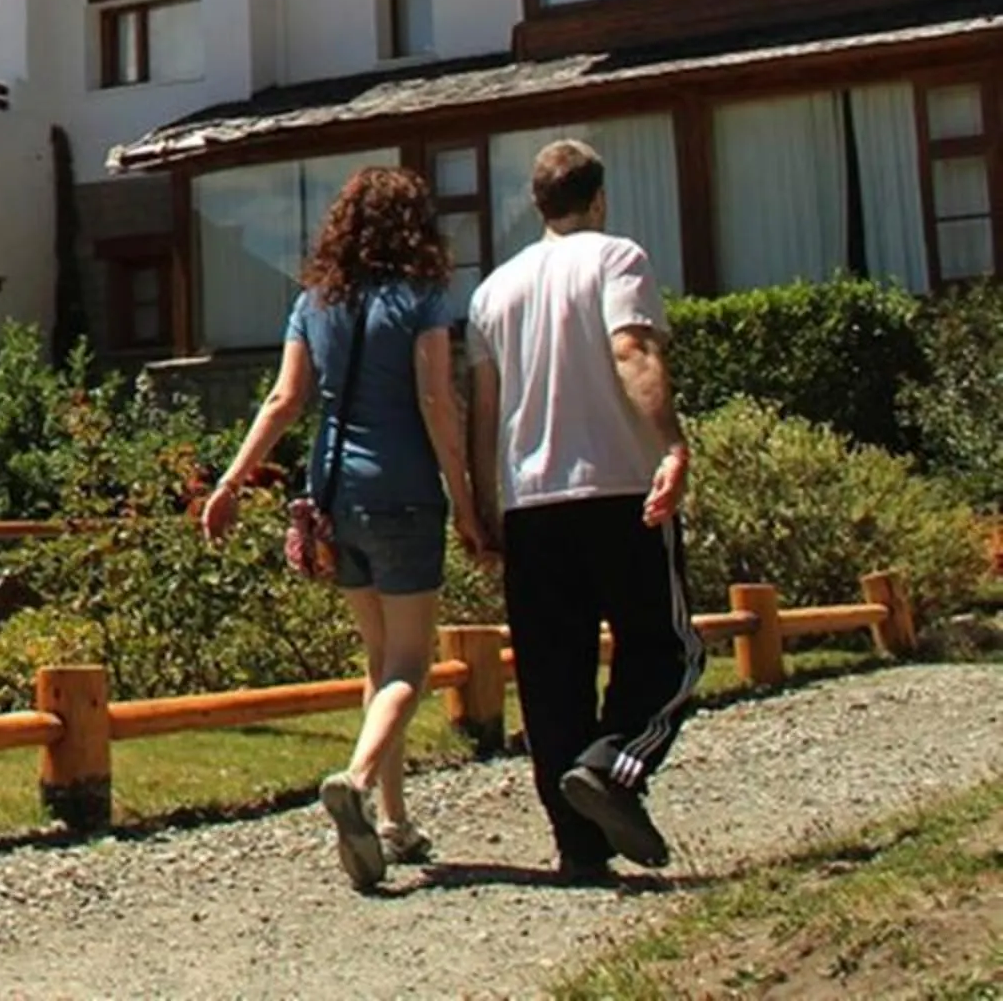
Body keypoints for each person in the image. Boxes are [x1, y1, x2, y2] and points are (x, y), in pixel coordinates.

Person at [204, 165, 487, 891]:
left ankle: (393, 821)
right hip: (401, 491)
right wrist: (466, 501)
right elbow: (434, 401)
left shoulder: (314, 301)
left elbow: (283, 399)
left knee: (375, 659)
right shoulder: (423, 297)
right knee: (410, 664)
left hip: (332, 494)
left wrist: (231, 483)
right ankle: (358, 784)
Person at [467, 138, 702, 884]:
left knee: (551, 673)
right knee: (668, 649)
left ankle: (579, 845)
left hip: (530, 500)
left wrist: (478, 504)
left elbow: (484, 410)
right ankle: (614, 765)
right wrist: (670, 443)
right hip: (619, 487)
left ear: (537, 205)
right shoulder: (615, 257)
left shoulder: (493, 292)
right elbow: (631, 349)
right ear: (596, 199)